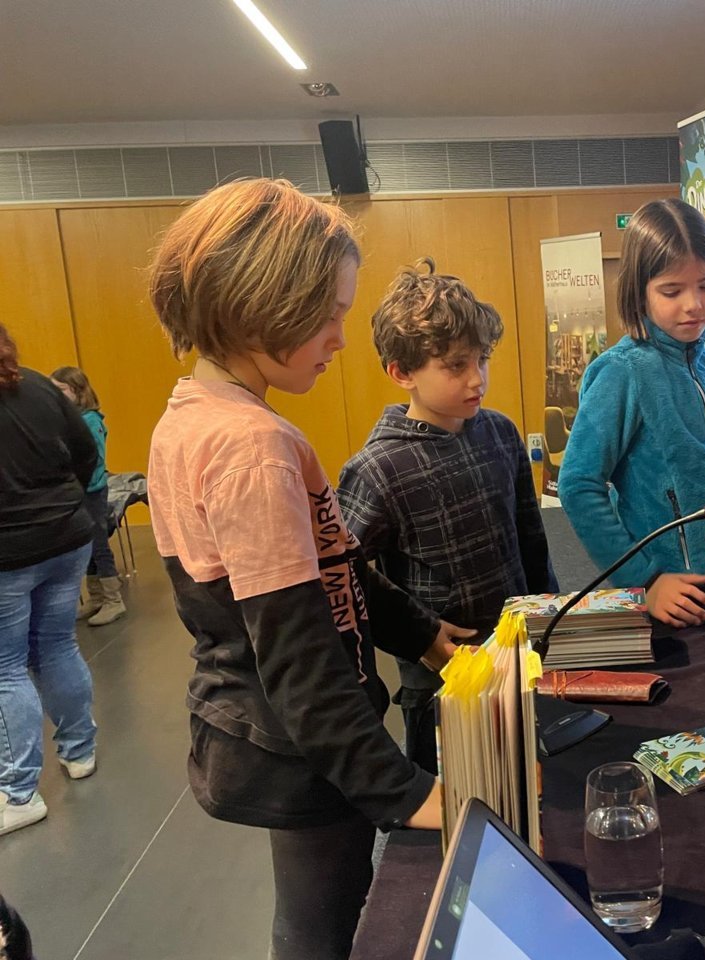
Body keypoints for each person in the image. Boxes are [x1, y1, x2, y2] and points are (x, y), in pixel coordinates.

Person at [146, 179, 472, 960]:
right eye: (329, 314)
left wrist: (421, 635)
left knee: (315, 912)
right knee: (324, 925)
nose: (340, 338)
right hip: (307, 750)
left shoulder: (192, 415)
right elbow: (297, 655)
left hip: (290, 739)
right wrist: (405, 791)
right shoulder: (250, 446)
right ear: (263, 304)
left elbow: (335, 568)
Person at [338, 259, 558, 772]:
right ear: (402, 372)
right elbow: (342, 574)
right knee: (451, 803)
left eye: (482, 360)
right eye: (456, 366)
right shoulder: (377, 468)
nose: (477, 379)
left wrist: (549, 614)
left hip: (515, 654)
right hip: (439, 678)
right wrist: (417, 636)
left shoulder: (500, 433)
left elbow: (530, 537)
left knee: (526, 782)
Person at [558, 199, 705, 627]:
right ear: (639, 291)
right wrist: (645, 580)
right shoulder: (622, 373)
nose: (694, 304)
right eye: (672, 291)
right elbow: (577, 485)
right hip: (668, 591)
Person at [0, 324, 99, 837]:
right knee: (57, 646)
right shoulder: (38, 384)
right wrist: (63, 503)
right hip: (67, 537)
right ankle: (80, 752)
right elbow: (86, 451)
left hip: (9, 555)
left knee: (6, 668)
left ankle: (18, 794)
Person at [50, 366, 126, 625]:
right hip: (78, 491)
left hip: (91, 491)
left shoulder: (91, 421)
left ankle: (114, 599)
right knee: (86, 546)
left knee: (99, 544)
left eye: (61, 389)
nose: (56, 395)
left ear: (77, 390)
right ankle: (96, 597)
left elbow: (93, 458)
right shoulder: (69, 420)